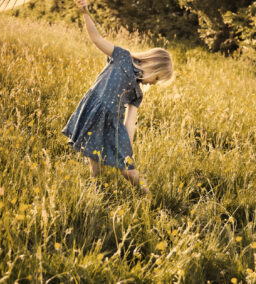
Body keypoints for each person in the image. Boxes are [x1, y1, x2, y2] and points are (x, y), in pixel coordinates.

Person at [61, 0, 174, 194]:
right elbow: (96, 39)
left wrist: (126, 148)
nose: (153, 84)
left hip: (112, 124)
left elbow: (130, 122)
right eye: (156, 79)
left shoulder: (138, 93)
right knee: (94, 162)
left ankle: (148, 196)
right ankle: (94, 190)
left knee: (128, 169)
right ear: (153, 67)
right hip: (94, 110)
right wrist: (85, 12)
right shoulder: (122, 56)